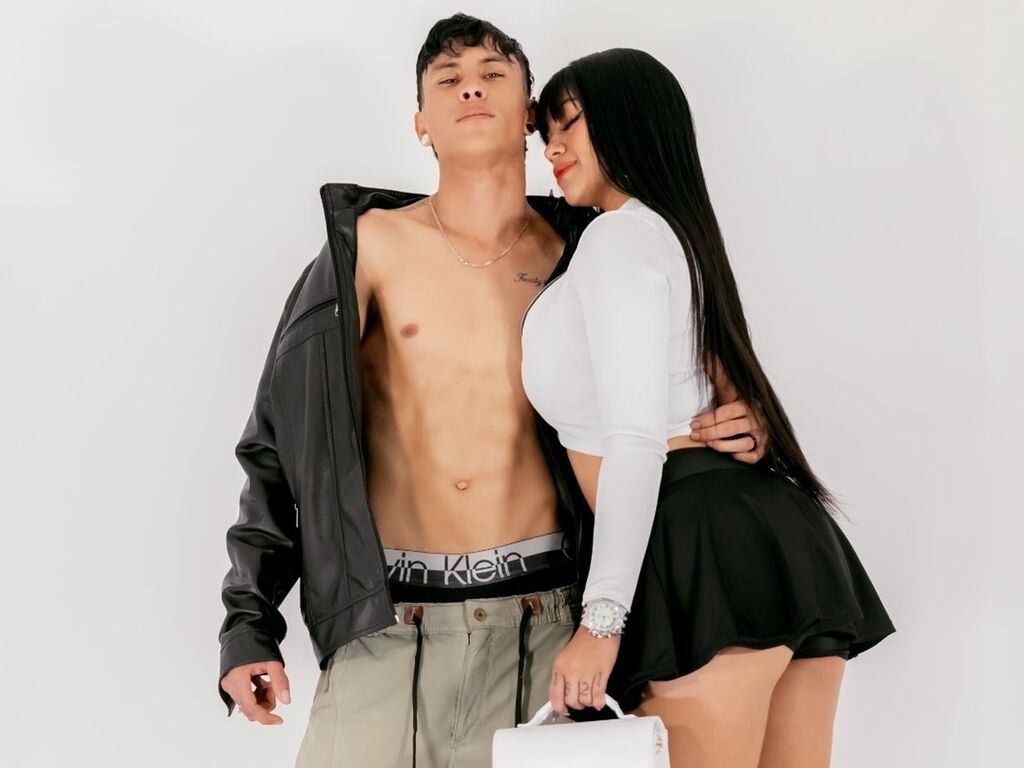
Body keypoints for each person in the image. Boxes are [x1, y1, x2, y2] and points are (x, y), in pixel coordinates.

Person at [217, 18, 767, 768]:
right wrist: (248, 622)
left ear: (531, 114)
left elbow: (684, 372)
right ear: (421, 123)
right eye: (447, 79)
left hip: (547, 629)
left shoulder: (586, 250)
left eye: (492, 73)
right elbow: (279, 440)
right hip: (387, 629)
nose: (470, 87)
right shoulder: (367, 247)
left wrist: (741, 420)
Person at [521, 48, 896, 768]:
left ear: (630, 123)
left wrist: (602, 622)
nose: (553, 148)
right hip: (769, 538)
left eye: (569, 124)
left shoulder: (619, 237)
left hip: (698, 544)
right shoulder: (674, 236)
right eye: (546, 134)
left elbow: (636, 438)